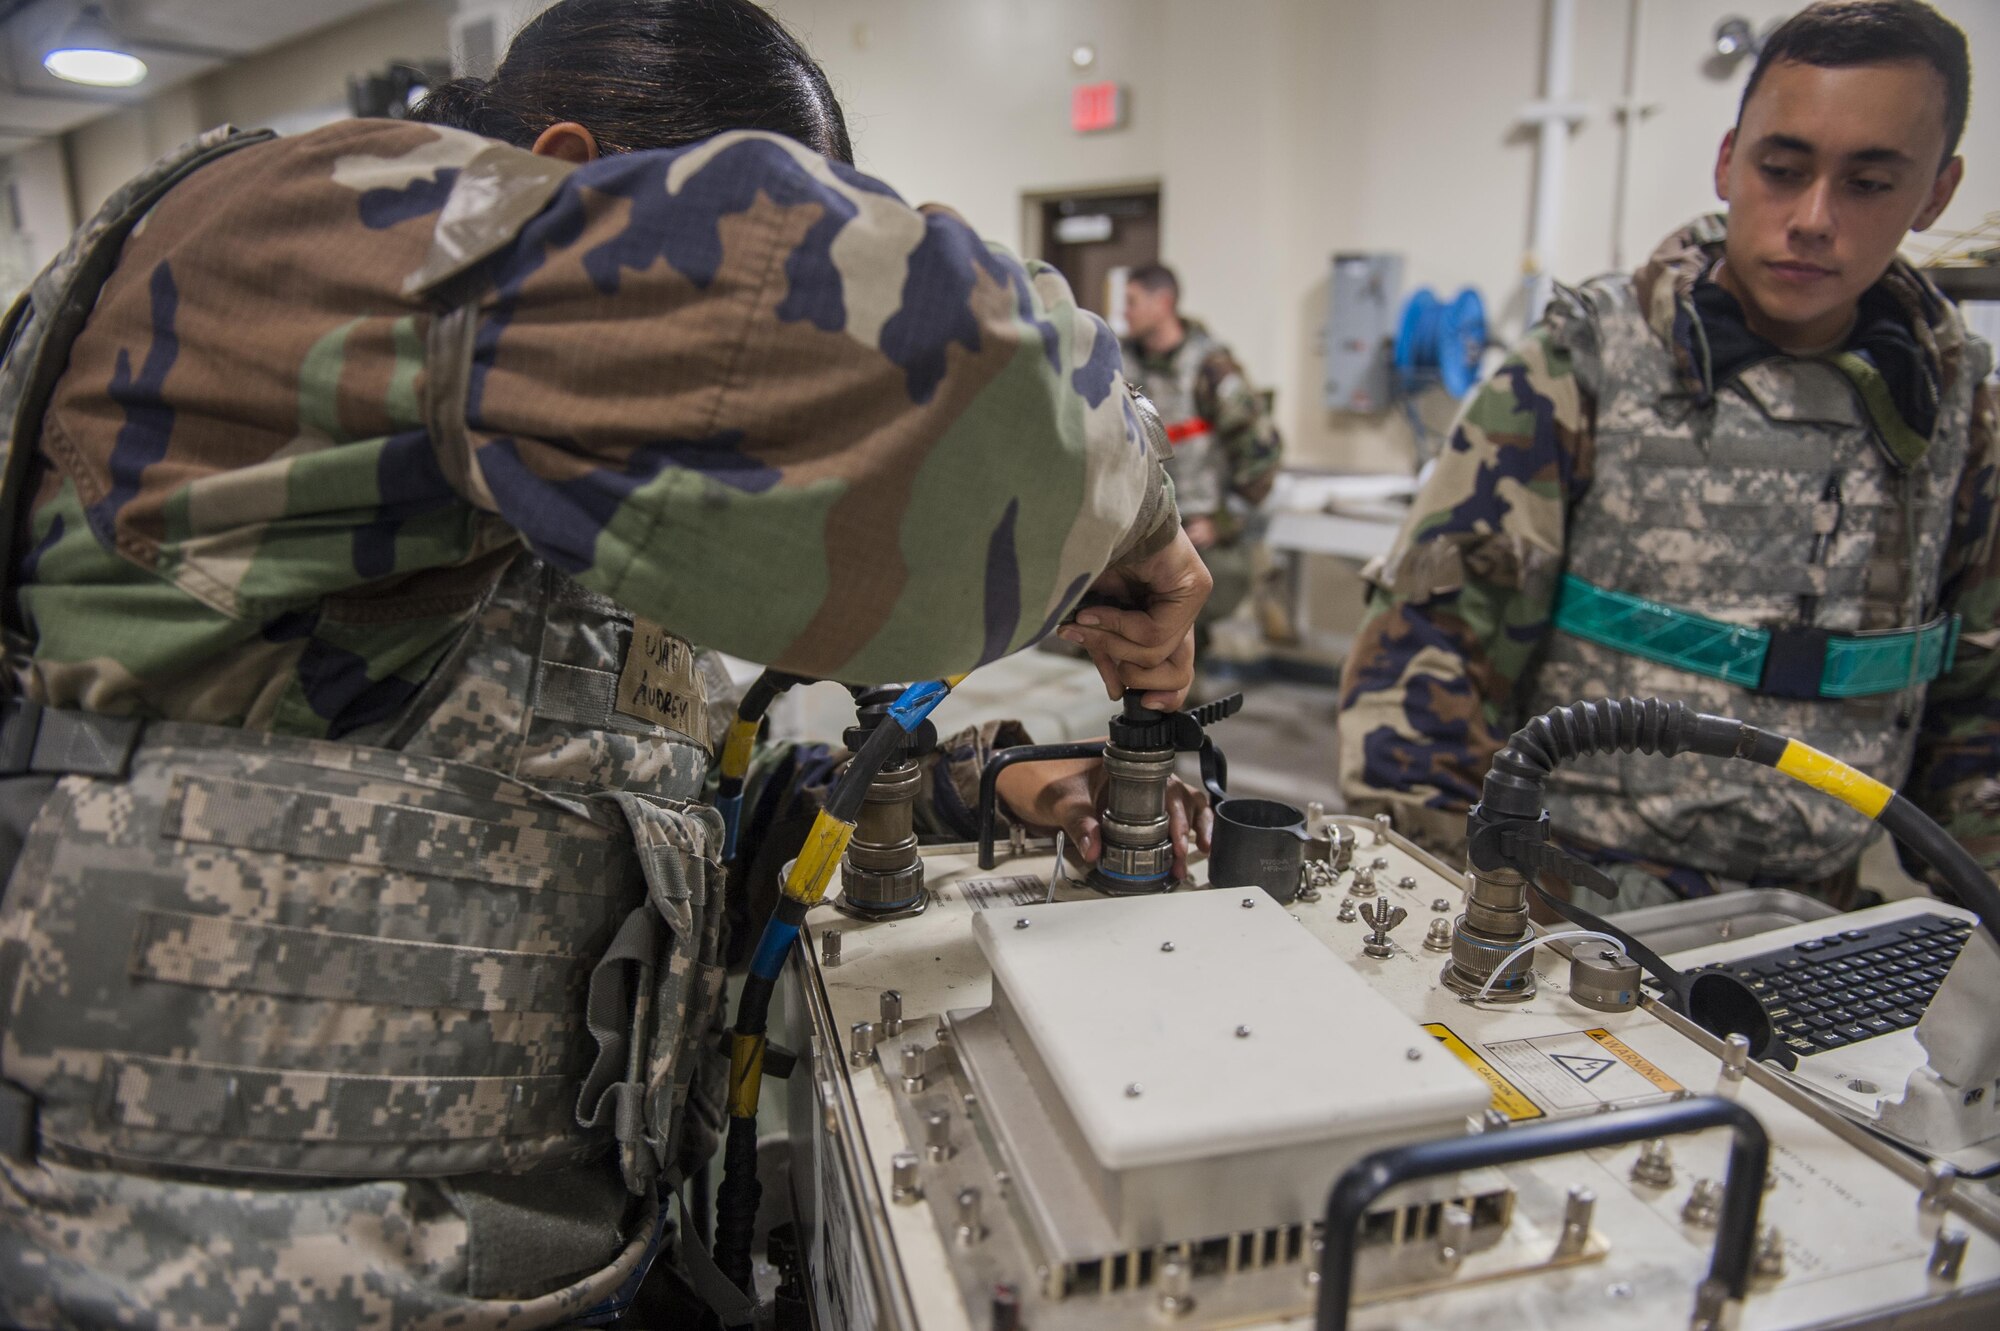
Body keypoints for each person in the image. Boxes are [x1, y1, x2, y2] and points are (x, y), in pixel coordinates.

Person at [0, 1, 1212, 1326]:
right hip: (208, 1281)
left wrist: (982, 788)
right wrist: (1135, 492)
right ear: (568, 170)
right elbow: (940, 385)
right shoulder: (291, 234)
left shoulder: (497, 457)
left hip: (534, 1257)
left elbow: (606, 802)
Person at [1339, 0, 1996, 912]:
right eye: (1783, 167)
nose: (1813, 217)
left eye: (1869, 183)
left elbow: (1977, 709)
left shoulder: (1962, 412)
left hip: (1817, 909)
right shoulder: (1583, 370)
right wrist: (1454, 905)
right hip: (1569, 895)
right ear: (1729, 161)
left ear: (1937, 191)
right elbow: (1423, 658)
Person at [1121, 264, 1284, 654]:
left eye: (1132, 302)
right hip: (1134, 531)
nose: (1124, 313)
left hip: (1195, 532)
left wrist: (1224, 521)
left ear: (1163, 303)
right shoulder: (1119, 363)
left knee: (1179, 645)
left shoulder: (1210, 369)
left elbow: (1261, 451)